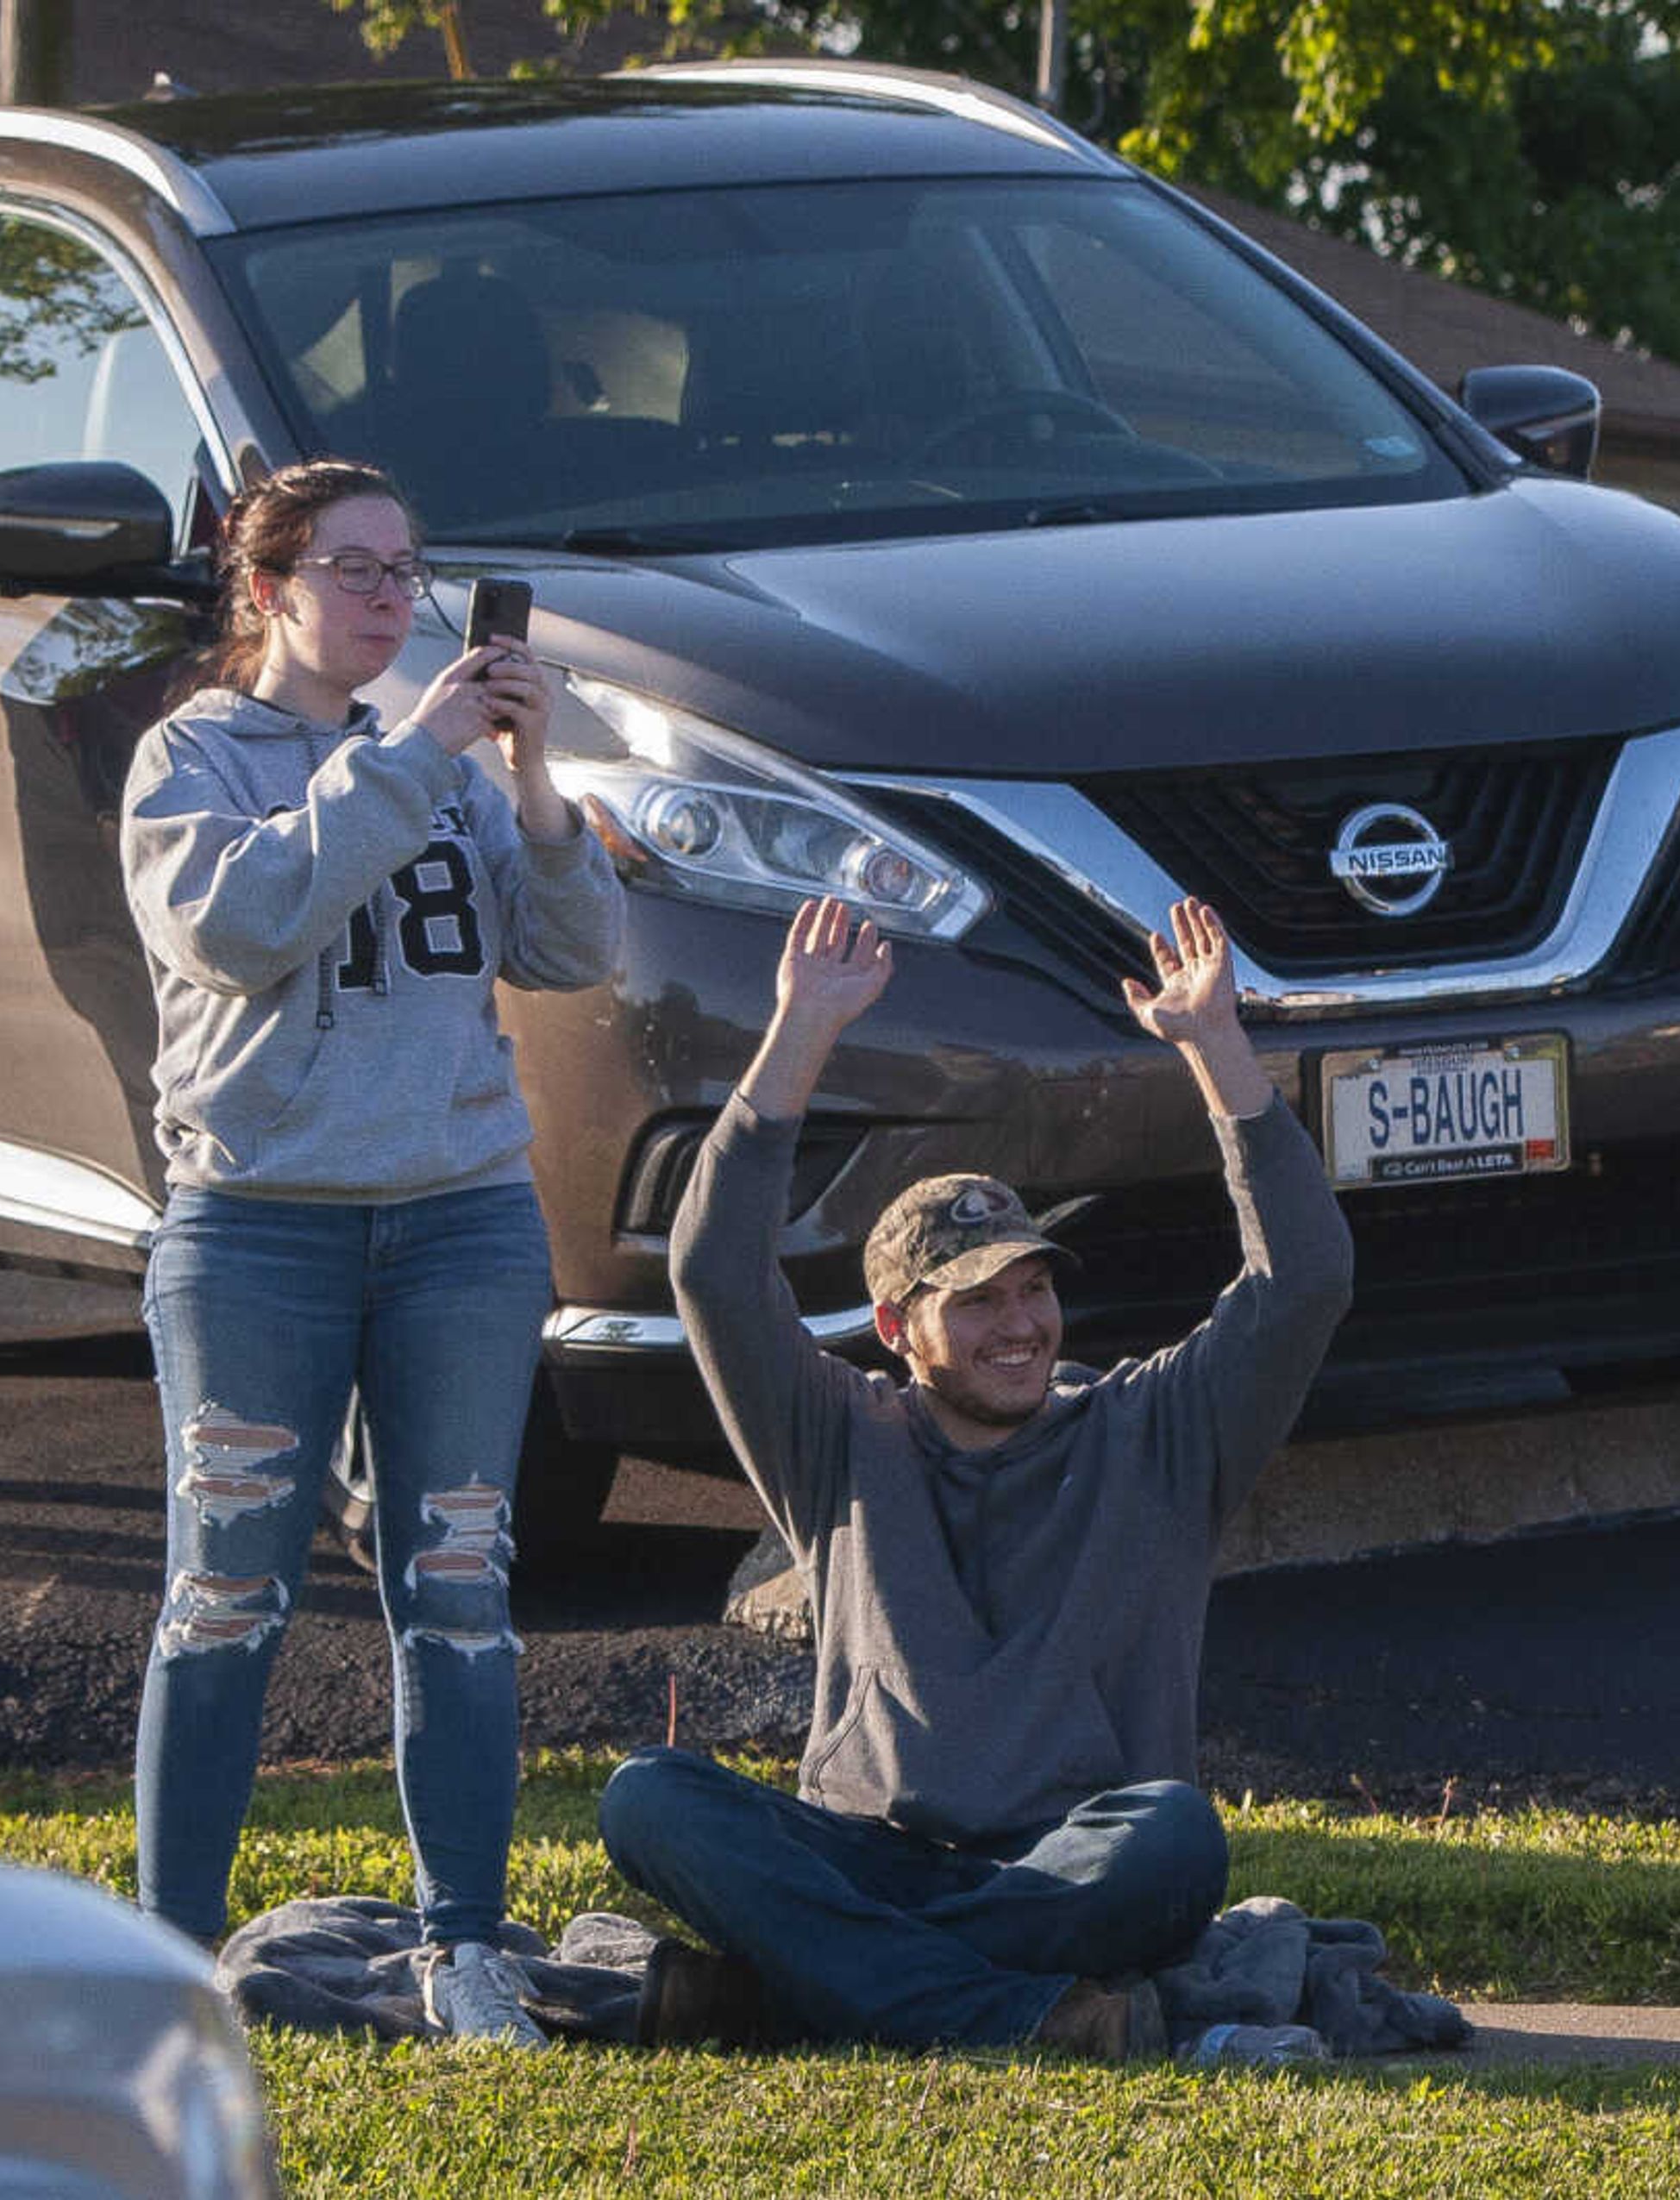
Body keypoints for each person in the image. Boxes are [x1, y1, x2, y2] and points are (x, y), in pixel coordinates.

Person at [596, 893, 1353, 2057]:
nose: (1022, 1321)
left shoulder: (1154, 1428)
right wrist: (799, 1033)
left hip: (1073, 1857)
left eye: (1035, 1286)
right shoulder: (836, 1436)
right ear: (898, 1325)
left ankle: (806, 1978)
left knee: (1176, 1839)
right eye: (980, 1298)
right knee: (647, 1794)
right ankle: (1001, 2008)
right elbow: (713, 1272)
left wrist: (1220, 1051)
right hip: (870, 1846)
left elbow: (1302, 1277)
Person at [120, 459, 621, 2046]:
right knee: (226, 1596)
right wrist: (415, 754)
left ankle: (464, 1943)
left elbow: (573, 948)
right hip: (258, 1226)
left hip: (461, 1222)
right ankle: (167, 1964)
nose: (394, 599)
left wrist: (535, 783)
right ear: (266, 591)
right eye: (354, 569)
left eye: (409, 570)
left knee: (459, 1586)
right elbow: (251, 921)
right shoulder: (188, 759)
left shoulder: (457, 770)